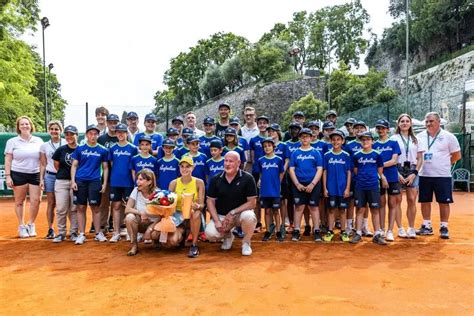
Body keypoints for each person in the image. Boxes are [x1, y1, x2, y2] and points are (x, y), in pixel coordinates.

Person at [416, 112, 461, 239]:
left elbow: (457, 155)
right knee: (425, 201)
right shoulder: (420, 137)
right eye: (426, 122)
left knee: (443, 202)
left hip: (443, 175)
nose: (428, 124)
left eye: (431, 121)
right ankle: (426, 226)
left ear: (438, 122)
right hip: (424, 174)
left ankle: (444, 226)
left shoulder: (449, 137)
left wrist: (445, 164)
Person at [205, 151, 258, 256]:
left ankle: (246, 242)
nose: (227, 164)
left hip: (239, 215)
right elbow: (210, 201)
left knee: (250, 216)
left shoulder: (248, 178)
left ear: (238, 163)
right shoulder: (216, 179)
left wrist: (233, 212)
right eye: (225, 161)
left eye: (231, 161)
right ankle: (228, 236)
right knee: (210, 234)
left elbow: (252, 203)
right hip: (222, 216)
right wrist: (216, 221)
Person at [4, 116, 43, 238]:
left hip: (35, 173)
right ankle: (21, 226)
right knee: (20, 202)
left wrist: (42, 177)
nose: (25, 126)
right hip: (18, 173)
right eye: (22, 124)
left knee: (36, 201)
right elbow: (8, 159)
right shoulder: (12, 142)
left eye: (27, 124)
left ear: (31, 126)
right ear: (18, 127)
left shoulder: (39, 141)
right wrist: (8, 176)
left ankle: (31, 224)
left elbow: (42, 161)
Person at [70, 125, 109, 245]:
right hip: (80, 181)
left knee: (96, 207)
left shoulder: (103, 150)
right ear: (87, 135)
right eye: (91, 134)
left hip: (95, 181)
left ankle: (98, 233)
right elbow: (74, 165)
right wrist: (73, 181)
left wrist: (104, 184)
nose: (93, 136)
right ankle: (82, 234)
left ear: (98, 135)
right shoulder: (80, 149)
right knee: (81, 207)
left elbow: (106, 168)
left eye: (95, 134)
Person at [391, 114, 425, 238]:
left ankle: (411, 228)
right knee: (397, 200)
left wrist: (414, 173)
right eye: (402, 121)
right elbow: (391, 158)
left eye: (407, 121)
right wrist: (396, 173)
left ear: (410, 124)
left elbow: (420, 159)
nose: (405, 123)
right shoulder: (393, 138)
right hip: (397, 169)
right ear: (398, 124)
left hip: (412, 170)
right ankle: (400, 228)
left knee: (411, 200)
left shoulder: (416, 139)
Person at [351, 131, 387, 245]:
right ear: (361, 142)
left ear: (372, 141)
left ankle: (377, 234)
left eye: (368, 139)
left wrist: (381, 178)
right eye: (363, 140)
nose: (365, 141)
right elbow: (356, 170)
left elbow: (380, 170)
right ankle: (358, 233)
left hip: (373, 185)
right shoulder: (357, 155)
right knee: (360, 209)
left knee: (374, 209)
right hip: (360, 186)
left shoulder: (377, 154)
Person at [288, 128, 324, 242]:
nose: (305, 139)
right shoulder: (295, 153)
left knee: (313, 207)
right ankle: (297, 230)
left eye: (307, 136)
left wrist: (313, 184)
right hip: (299, 184)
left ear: (311, 138)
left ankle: (317, 230)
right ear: (299, 138)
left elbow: (320, 169)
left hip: (313, 184)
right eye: (302, 137)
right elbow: (291, 170)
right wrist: (297, 184)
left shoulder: (315, 152)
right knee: (299, 207)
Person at [167, 156, 205, 258]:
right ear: (179, 168)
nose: (185, 169)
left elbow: (202, 205)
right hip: (178, 216)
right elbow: (168, 204)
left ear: (192, 168)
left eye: (188, 166)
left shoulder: (199, 182)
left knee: (195, 213)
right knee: (172, 242)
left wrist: (197, 205)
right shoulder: (173, 183)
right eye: (182, 166)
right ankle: (183, 234)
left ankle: (194, 245)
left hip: (193, 214)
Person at [373, 119, 403, 241]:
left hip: (392, 177)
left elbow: (394, 161)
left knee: (392, 204)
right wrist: (380, 171)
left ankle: (390, 230)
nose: (381, 130)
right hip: (378, 177)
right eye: (378, 128)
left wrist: (380, 166)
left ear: (387, 129)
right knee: (381, 203)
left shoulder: (393, 143)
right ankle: (381, 229)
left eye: (383, 128)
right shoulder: (374, 145)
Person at [108, 123, 138, 242]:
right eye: (118, 132)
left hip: (128, 182)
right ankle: (116, 232)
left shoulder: (132, 148)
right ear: (116, 134)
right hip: (115, 181)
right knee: (115, 206)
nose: (120, 134)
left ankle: (130, 232)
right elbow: (111, 165)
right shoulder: (113, 148)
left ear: (126, 133)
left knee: (129, 206)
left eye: (123, 132)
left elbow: (134, 167)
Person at [51, 125, 79, 243]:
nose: (69, 137)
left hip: (77, 182)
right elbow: (56, 165)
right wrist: (64, 175)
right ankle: (61, 233)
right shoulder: (61, 150)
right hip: (61, 181)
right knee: (61, 208)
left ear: (76, 135)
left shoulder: (81, 149)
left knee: (74, 208)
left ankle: (73, 232)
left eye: (71, 134)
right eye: (67, 134)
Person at [322, 130, 351, 242]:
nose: (336, 141)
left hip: (342, 188)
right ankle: (330, 231)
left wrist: (347, 188)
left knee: (342, 210)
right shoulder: (327, 155)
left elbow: (348, 172)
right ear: (330, 141)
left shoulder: (346, 155)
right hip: (331, 187)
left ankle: (343, 231)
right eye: (333, 139)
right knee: (331, 210)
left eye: (338, 139)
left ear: (342, 141)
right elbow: (324, 172)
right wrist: (324, 188)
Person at [124, 169, 160, 256]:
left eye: (141, 179)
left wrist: (150, 228)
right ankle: (134, 245)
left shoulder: (158, 193)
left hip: (154, 224)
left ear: (149, 182)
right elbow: (127, 209)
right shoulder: (136, 190)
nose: (137, 182)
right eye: (138, 179)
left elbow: (162, 215)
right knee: (129, 217)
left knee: (155, 234)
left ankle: (156, 241)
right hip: (141, 222)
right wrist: (141, 213)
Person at [39, 120, 66, 238]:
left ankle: (70, 230)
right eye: (52, 129)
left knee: (66, 203)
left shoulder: (66, 142)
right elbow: (43, 164)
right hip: (50, 176)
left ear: (61, 130)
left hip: (64, 177)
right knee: (51, 203)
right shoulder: (44, 146)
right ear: (49, 131)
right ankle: (50, 229)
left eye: (57, 129)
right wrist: (41, 179)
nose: (54, 131)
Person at [256, 138, 285, 241]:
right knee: (267, 211)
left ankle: (278, 231)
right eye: (264, 146)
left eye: (269, 145)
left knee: (276, 211)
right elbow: (261, 173)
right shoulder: (261, 160)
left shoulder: (278, 159)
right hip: (265, 190)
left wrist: (278, 183)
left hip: (275, 189)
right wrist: (260, 180)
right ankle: (268, 231)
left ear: (273, 147)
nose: (267, 148)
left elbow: (281, 172)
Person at [97, 113, 119, 233]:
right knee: (104, 202)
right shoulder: (102, 138)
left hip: (119, 176)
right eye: (110, 122)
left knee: (119, 203)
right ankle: (102, 226)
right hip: (106, 176)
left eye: (115, 122)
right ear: (107, 123)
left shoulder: (122, 136)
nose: (113, 125)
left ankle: (119, 226)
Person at [249, 115, 269, 232]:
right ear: (257, 124)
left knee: (268, 197)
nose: (262, 125)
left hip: (269, 172)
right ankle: (257, 222)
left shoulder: (271, 139)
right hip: (256, 171)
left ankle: (270, 223)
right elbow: (251, 158)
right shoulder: (253, 140)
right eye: (260, 123)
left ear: (267, 124)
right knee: (256, 198)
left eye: (264, 123)